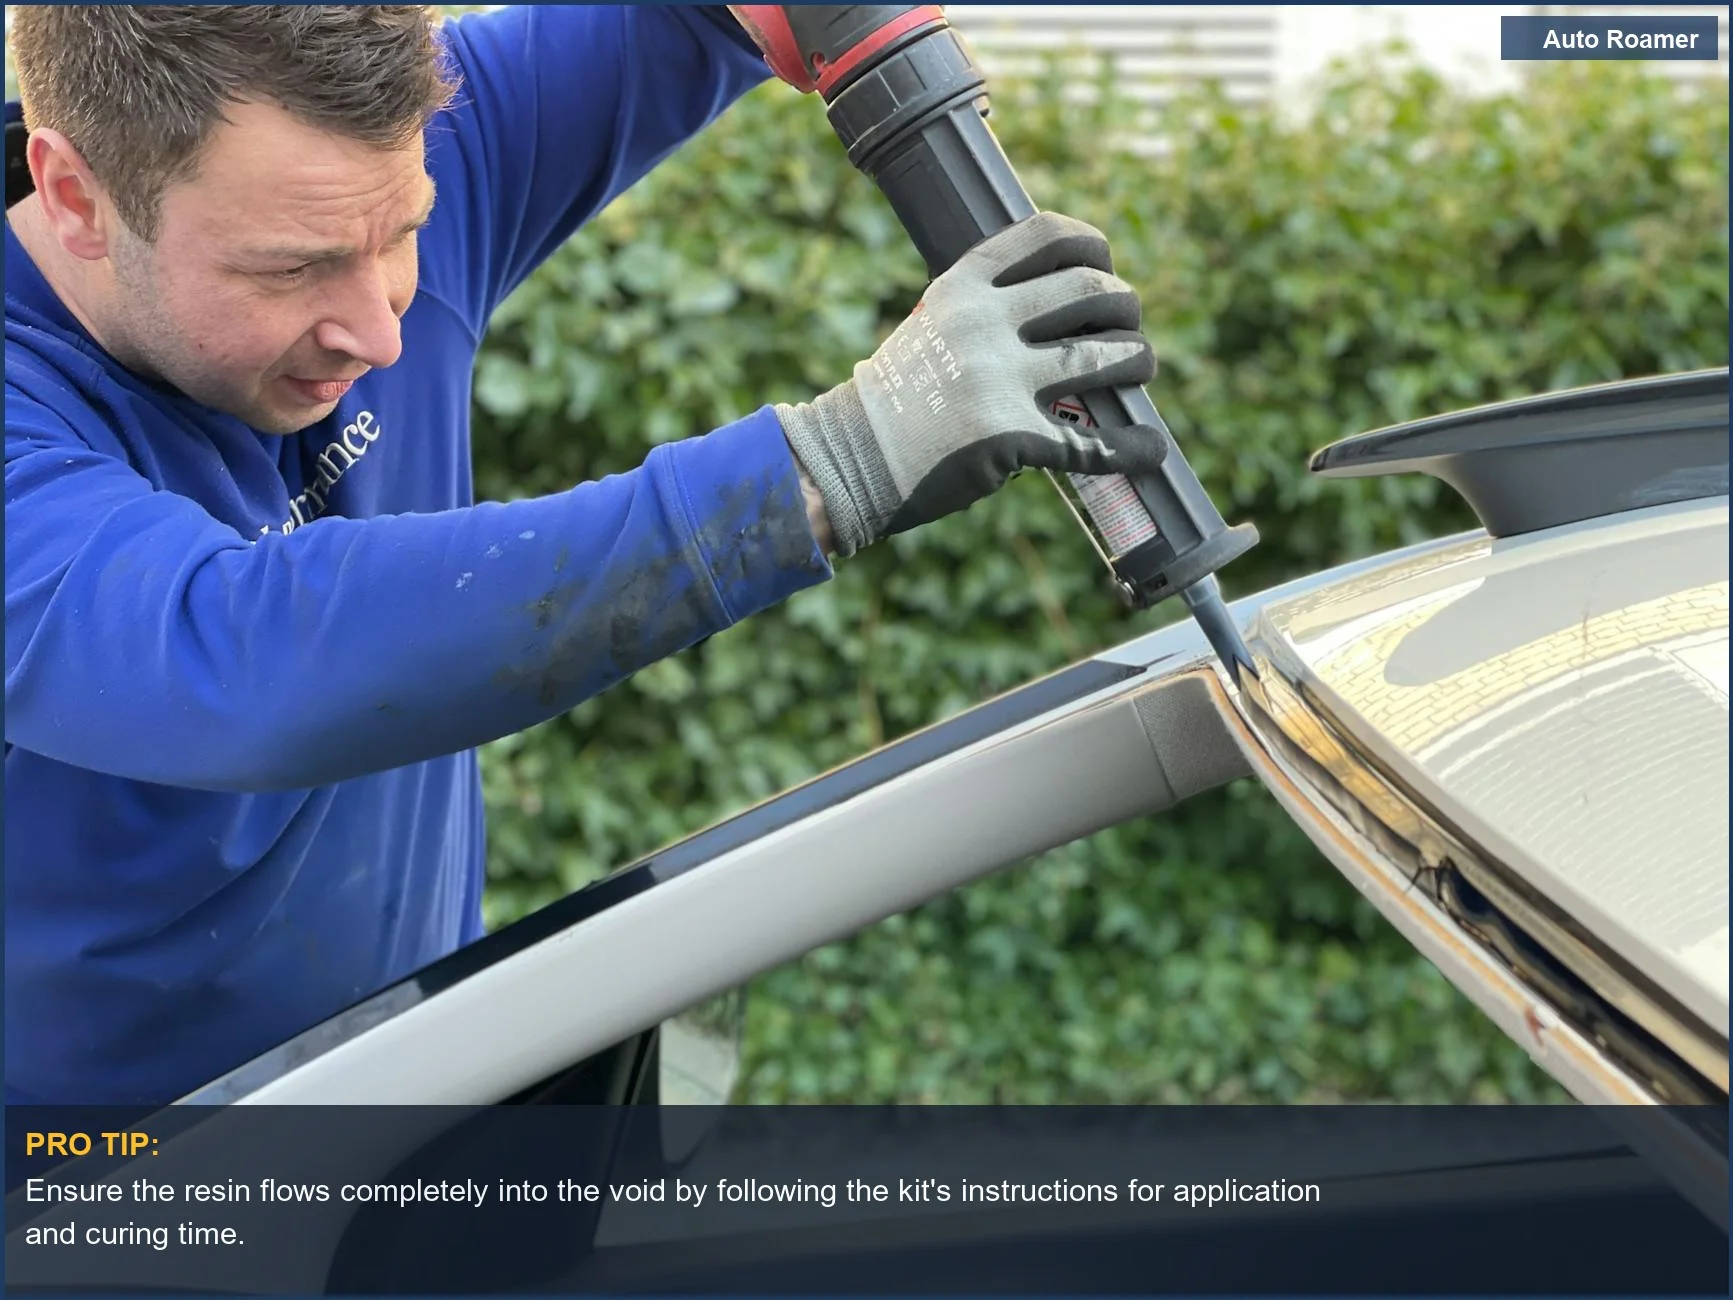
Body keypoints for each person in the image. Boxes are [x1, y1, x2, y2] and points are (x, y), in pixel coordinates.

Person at [4, 5, 1165, 1108]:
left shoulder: (348, 174)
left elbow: (691, 18)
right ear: (77, 196)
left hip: (413, 1117)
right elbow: (235, 655)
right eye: (291, 269)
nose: (381, 327)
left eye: (405, 230)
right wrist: (836, 463)